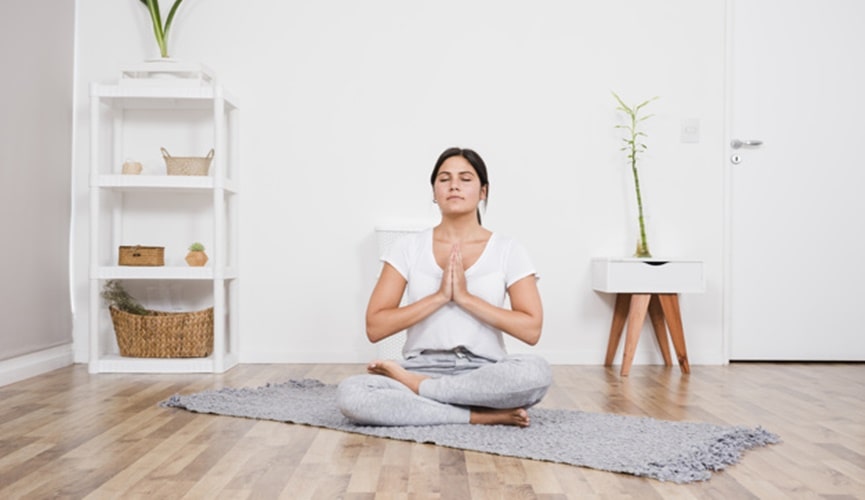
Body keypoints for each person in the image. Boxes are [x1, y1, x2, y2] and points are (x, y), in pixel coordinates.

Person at [336, 147, 552, 427]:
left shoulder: (509, 249)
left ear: (483, 191)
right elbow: (375, 327)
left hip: (483, 373)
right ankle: (475, 415)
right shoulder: (407, 248)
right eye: (444, 178)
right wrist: (439, 297)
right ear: (434, 191)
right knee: (352, 395)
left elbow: (531, 330)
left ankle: (423, 392)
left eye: (465, 178)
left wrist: (464, 298)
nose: (454, 186)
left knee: (536, 373)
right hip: (419, 366)